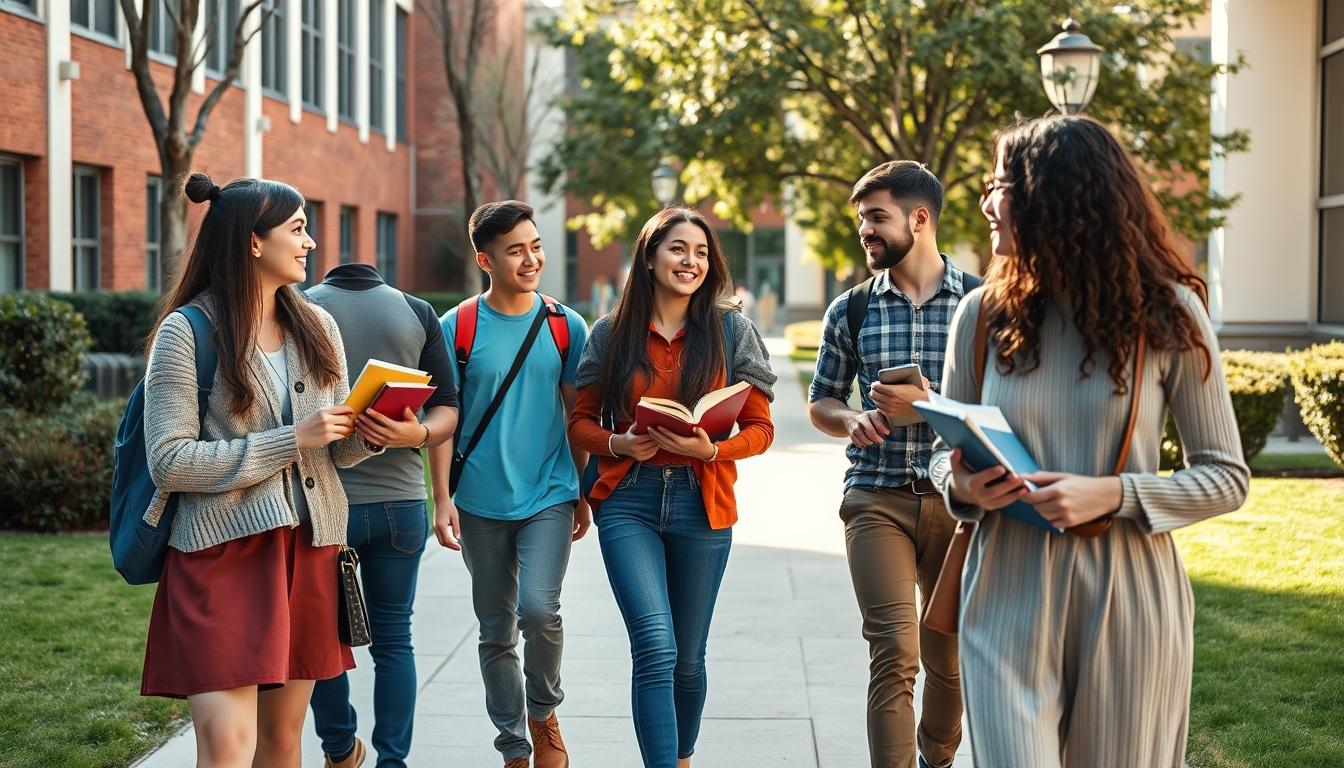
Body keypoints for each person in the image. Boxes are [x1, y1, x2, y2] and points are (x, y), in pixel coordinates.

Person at [930, 115, 1249, 767]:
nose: (987, 202)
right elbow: (942, 452)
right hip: (1003, 596)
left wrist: (1114, 493)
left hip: (1128, 599)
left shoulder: (1168, 315)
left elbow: (1226, 477)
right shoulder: (981, 316)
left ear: (1059, 195)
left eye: (1002, 184)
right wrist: (959, 483)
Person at [140, 172, 383, 767]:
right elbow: (168, 461)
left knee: (281, 742)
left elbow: (331, 448)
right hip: (222, 556)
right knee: (227, 748)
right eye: (297, 229)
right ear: (254, 241)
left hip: (310, 548)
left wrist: (375, 433)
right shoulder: (185, 332)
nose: (311, 243)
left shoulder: (316, 326)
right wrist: (291, 439)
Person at [568, 206, 777, 768]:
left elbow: (760, 429)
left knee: (688, 659)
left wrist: (713, 449)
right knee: (655, 646)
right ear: (651, 256)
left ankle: (681, 757)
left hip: (702, 502)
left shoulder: (733, 330)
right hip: (628, 500)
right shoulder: (612, 332)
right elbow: (581, 421)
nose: (691, 261)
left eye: (702, 252)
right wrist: (618, 445)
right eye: (679, 249)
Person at [807, 160, 970, 768]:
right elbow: (822, 397)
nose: (865, 231)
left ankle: (938, 757)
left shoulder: (982, 304)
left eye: (877, 217)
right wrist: (849, 420)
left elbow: (1007, 412)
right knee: (894, 652)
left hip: (961, 505)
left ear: (920, 219)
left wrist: (932, 405)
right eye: (861, 220)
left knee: (945, 656)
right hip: (876, 497)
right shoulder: (850, 310)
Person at [427, 200, 591, 768]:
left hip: (548, 492)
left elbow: (578, 416)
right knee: (496, 628)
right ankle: (513, 747)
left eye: (536, 245)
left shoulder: (566, 326)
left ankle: (543, 713)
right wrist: (442, 498)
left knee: (540, 610)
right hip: (479, 500)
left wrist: (583, 490)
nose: (531, 258)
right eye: (516, 250)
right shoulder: (458, 327)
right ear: (485, 259)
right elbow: (442, 417)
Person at [306, 263, 461, 768]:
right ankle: (392, 762)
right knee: (396, 637)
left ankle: (339, 749)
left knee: (323, 638)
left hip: (324, 506)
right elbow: (449, 409)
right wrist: (418, 440)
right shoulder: (415, 311)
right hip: (401, 505)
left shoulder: (301, 308)